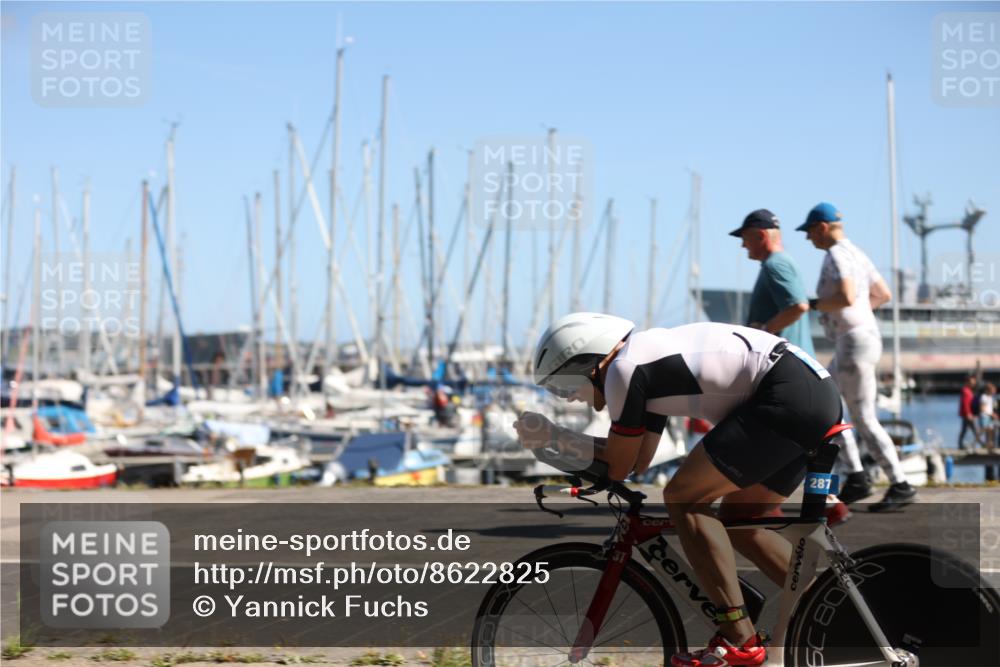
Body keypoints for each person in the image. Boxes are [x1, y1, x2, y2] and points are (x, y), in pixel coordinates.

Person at [515, 313, 843, 667]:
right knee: (741, 522)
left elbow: (619, 466)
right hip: (810, 392)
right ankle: (836, 613)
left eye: (563, 385)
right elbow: (637, 460)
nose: (568, 398)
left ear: (591, 362)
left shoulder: (624, 370)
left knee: (683, 498)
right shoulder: (642, 363)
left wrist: (555, 436)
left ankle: (739, 638)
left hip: (787, 393)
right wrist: (557, 440)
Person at [798, 202, 916, 511]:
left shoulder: (836, 254)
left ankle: (899, 483)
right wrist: (860, 315)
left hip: (853, 342)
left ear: (822, 227)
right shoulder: (857, 253)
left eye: (810, 231)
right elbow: (882, 294)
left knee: (862, 417)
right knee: (828, 405)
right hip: (862, 337)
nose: (809, 238)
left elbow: (847, 296)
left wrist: (814, 305)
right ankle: (857, 476)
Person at [730, 209, 814, 355]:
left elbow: (798, 306)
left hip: (786, 361)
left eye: (745, 238)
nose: (743, 245)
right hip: (791, 360)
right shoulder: (780, 262)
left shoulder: (775, 264)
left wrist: (764, 331)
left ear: (761, 236)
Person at [958, 374, 979, 449]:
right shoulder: (965, 391)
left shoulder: (969, 391)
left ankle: (962, 445)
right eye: (971, 383)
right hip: (967, 414)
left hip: (969, 414)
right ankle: (980, 444)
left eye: (973, 383)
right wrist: (968, 413)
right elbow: (965, 403)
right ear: (967, 382)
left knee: (966, 430)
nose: (973, 384)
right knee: (974, 430)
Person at [979, 383, 996, 450]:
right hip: (984, 417)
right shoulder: (984, 397)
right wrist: (990, 414)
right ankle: (974, 443)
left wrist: (993, 414)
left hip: (990, 417)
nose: (994, 392)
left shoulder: (990, 397)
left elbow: (990, 408)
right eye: (993, 390)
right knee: (982, 431)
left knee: (990, 431)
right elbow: (982, 409)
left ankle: (989, 446)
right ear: (989, 390)